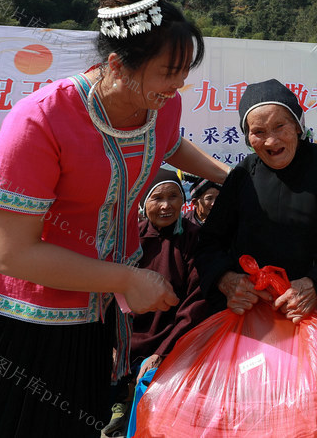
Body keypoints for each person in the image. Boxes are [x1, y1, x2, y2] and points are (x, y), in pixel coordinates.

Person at [0, 0, 229, 438]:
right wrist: (127, 280)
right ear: (117, 64)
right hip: (7, 315)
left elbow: (169, 141)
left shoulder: (162, 103)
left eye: (183, 72)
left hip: (89, 305)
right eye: (168, 72)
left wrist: (230, 176)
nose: (179, 85)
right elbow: (10, 253)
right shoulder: (41, 119)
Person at [194, 79, 317, 415]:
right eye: (257, 131)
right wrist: (226, 280)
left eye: (280, 126)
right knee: (263, 415)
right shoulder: (242, 177)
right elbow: (209, 242)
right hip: (258, 330)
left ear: (298, 125)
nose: (270, 140)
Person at [103, 169, 210, 437]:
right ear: (143, 202)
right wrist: (112, 344)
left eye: (174, 196)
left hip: (172, 341)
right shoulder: (128, 238)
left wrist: (163, 352)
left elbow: (195, 302)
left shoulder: (195, 239)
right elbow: (108, 296)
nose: (166, 205)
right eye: (157, 198)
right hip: (125, 341)